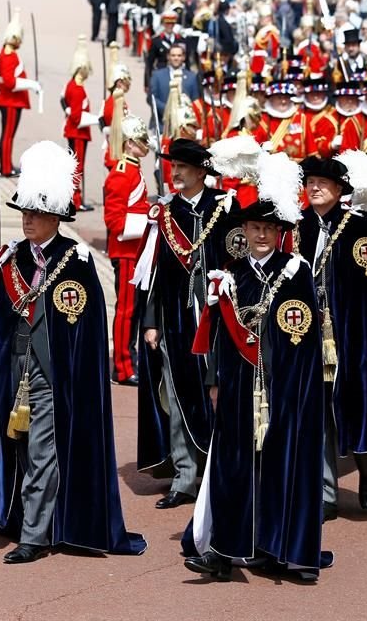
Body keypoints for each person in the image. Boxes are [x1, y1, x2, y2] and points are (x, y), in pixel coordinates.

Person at [0, 140, 147, 564]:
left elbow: (84, 331)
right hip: (14, 371)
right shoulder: (12, 259)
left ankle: (36, 536)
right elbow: (0, 321)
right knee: (16, 448)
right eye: (24, 212)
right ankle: (27, 519)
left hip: (52, 375)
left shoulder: (76, 260)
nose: (26, 219)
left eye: (34, 213)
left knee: (42, 451)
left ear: (54, 217)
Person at [182, 154, 330, 583]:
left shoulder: (296, 272)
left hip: (285, 388)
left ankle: (286, 550)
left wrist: (291, 386)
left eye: (268, 228)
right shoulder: (231, 275)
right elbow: (214, 336)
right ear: (243, 232)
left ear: (280, 232)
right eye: (253, 228)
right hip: (238, 386)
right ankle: (225, 551)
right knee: (233, 465)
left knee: (285, 465)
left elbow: (301, 332)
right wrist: (215, 382)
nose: (260, 234)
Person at [295, 155, 367, 520]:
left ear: (340, 190)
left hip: (350, 336)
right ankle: (326, 492)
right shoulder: (299, 227)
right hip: (308, 334)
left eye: (322, 183)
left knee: (350, 408)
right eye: (310, 181)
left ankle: (365, 467)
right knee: (317, 412)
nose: (314, 187)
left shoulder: (359, 229)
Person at [132, 138, 238, 509]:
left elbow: (237, 259)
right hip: (174, 318)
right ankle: (184, 476)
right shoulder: (164, 211)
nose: (174, 173)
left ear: (200, 171)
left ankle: (221, 471)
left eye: (182, 167)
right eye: (172, 166)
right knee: (176, 396)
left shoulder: (223, 207)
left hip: (218, 317)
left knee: (218, 394)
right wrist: (150, 322)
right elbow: (153, 270)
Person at [103, 114, 151, 385]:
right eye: (141, 142)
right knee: (126, 310)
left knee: (134, 310)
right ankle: (122, 366)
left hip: (135, 249)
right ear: (131, 143)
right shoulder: (122, 173)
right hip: (125, 250)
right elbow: (114, 219)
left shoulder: (133, 169)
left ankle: (128, 358)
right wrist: (143, 222)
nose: (145, 146)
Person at [0, 10, 41, 178]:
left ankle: (6, 164)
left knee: (8, 134)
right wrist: (31, 84)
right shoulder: (9, 55)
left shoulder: (5, 52)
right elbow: (10, 82)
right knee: (7, 135)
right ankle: (5, 168)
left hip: (10, 100)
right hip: (11, 100)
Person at [63, 36, 99, 212]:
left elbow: (64, 101)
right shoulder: (77, 89)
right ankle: (76, 200)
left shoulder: (71, 85)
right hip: (78, 133)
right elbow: (77, 117)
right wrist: (96, 119)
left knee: (74, 166)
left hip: (74, 132)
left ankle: (75, 198)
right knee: (77, 167)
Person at [148, 43, 198, 129]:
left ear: (183, 57)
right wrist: (168, 110)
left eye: (179, 55)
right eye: (173, 55)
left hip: (185, 125)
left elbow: (196, 100)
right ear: (168, 57)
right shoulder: (157, 75)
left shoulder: (192, 77)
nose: (176, 58)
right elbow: (151, 98)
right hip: (163, 124)